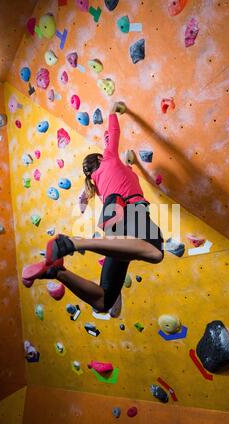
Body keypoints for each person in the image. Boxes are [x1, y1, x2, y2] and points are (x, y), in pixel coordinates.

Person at [22, 102, 164, 313]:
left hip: (113, 218)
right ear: (100, 158)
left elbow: (116, 176)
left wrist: (128, 163)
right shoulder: (108, 158)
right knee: (155, 252)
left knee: (104, 303)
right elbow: (113, 132)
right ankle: (73, 243)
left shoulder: (97, 185)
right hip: (128, 208)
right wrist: (112, 111)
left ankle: (57, 272)